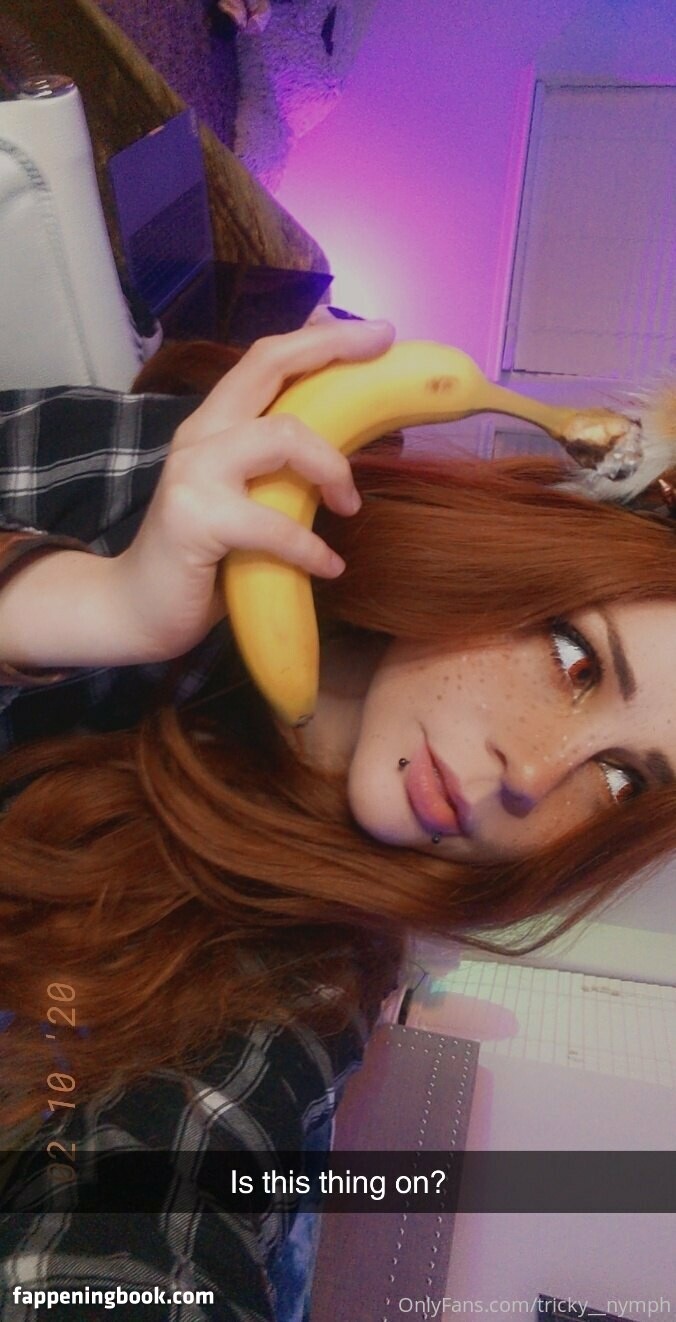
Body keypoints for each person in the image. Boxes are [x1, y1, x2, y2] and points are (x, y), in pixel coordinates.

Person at [0, 317, 675, 1318]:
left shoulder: (297, 977)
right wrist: (84, 606)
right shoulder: (197, 490)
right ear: (507, 557)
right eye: (574, 660)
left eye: (621, 780)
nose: (533, 776)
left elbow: (156, 1221)